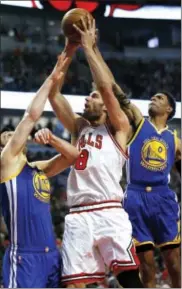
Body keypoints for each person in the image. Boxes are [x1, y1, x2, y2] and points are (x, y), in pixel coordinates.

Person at [76, 18, 181, 288]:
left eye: (159, 98)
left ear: (169, 109)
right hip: (134, 196)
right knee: (145, 265)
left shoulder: (174, 139)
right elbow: (111, 89)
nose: (153, 99)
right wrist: (94, 50)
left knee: (175, 262)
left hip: (163, 198)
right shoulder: (137, 121)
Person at [48, 21, 143, 288]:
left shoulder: (119, 126)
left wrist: (89, 48)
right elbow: (53, 93)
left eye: (92, 96)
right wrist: (69, 49)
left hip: (109, 210)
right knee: (74, 284)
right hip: (78, 213)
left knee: (129, 279)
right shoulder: (78, 128)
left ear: (104, 103)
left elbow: (105, 87)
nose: (86, 100)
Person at [0, 54, 80, 288]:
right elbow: (31, 116)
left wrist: (53, 140)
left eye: (11, 134)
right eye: (5, 136)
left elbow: (73, 157)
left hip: (51, 255)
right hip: (25, 256)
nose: (10, 136)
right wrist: (53, 76)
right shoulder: (6, 163)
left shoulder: (37, 169)